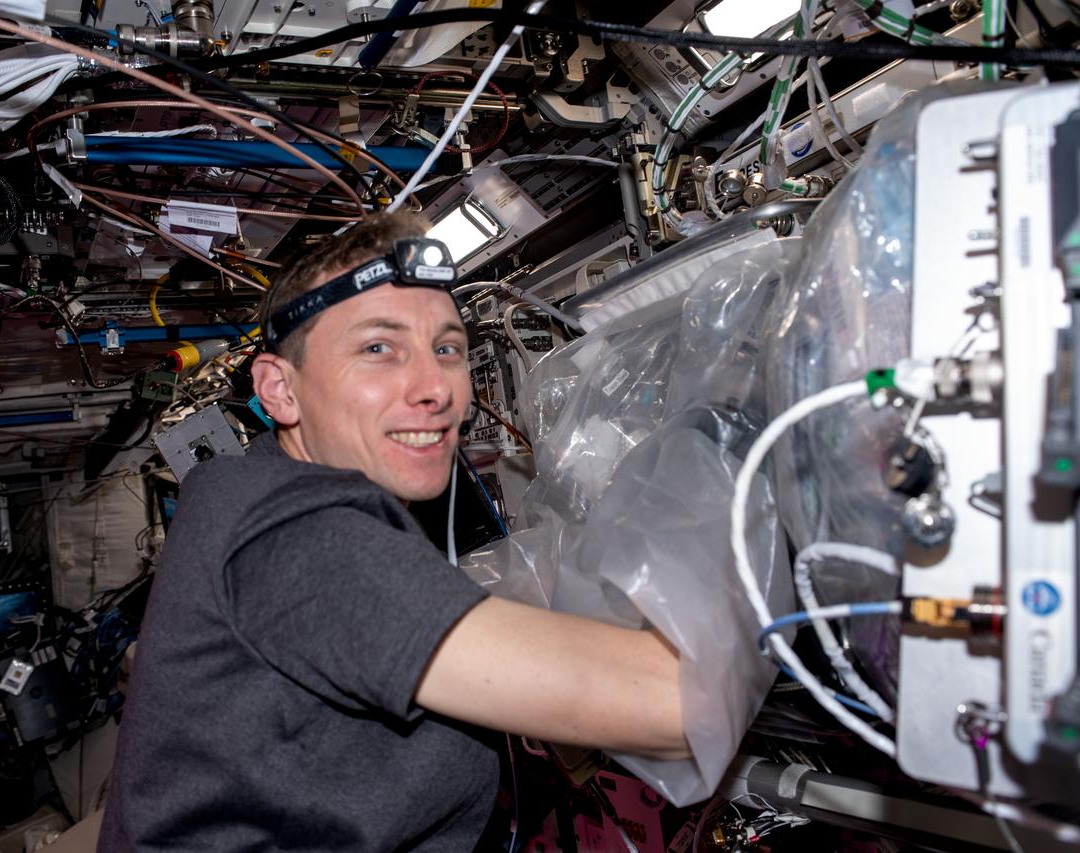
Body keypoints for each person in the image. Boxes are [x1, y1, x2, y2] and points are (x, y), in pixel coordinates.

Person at [98, 211, 687, 851]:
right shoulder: (289, 530)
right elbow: (673, 706)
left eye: (447, 348)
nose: (435, 387)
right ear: (279, 390)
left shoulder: (255, 494)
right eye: (378, 348)